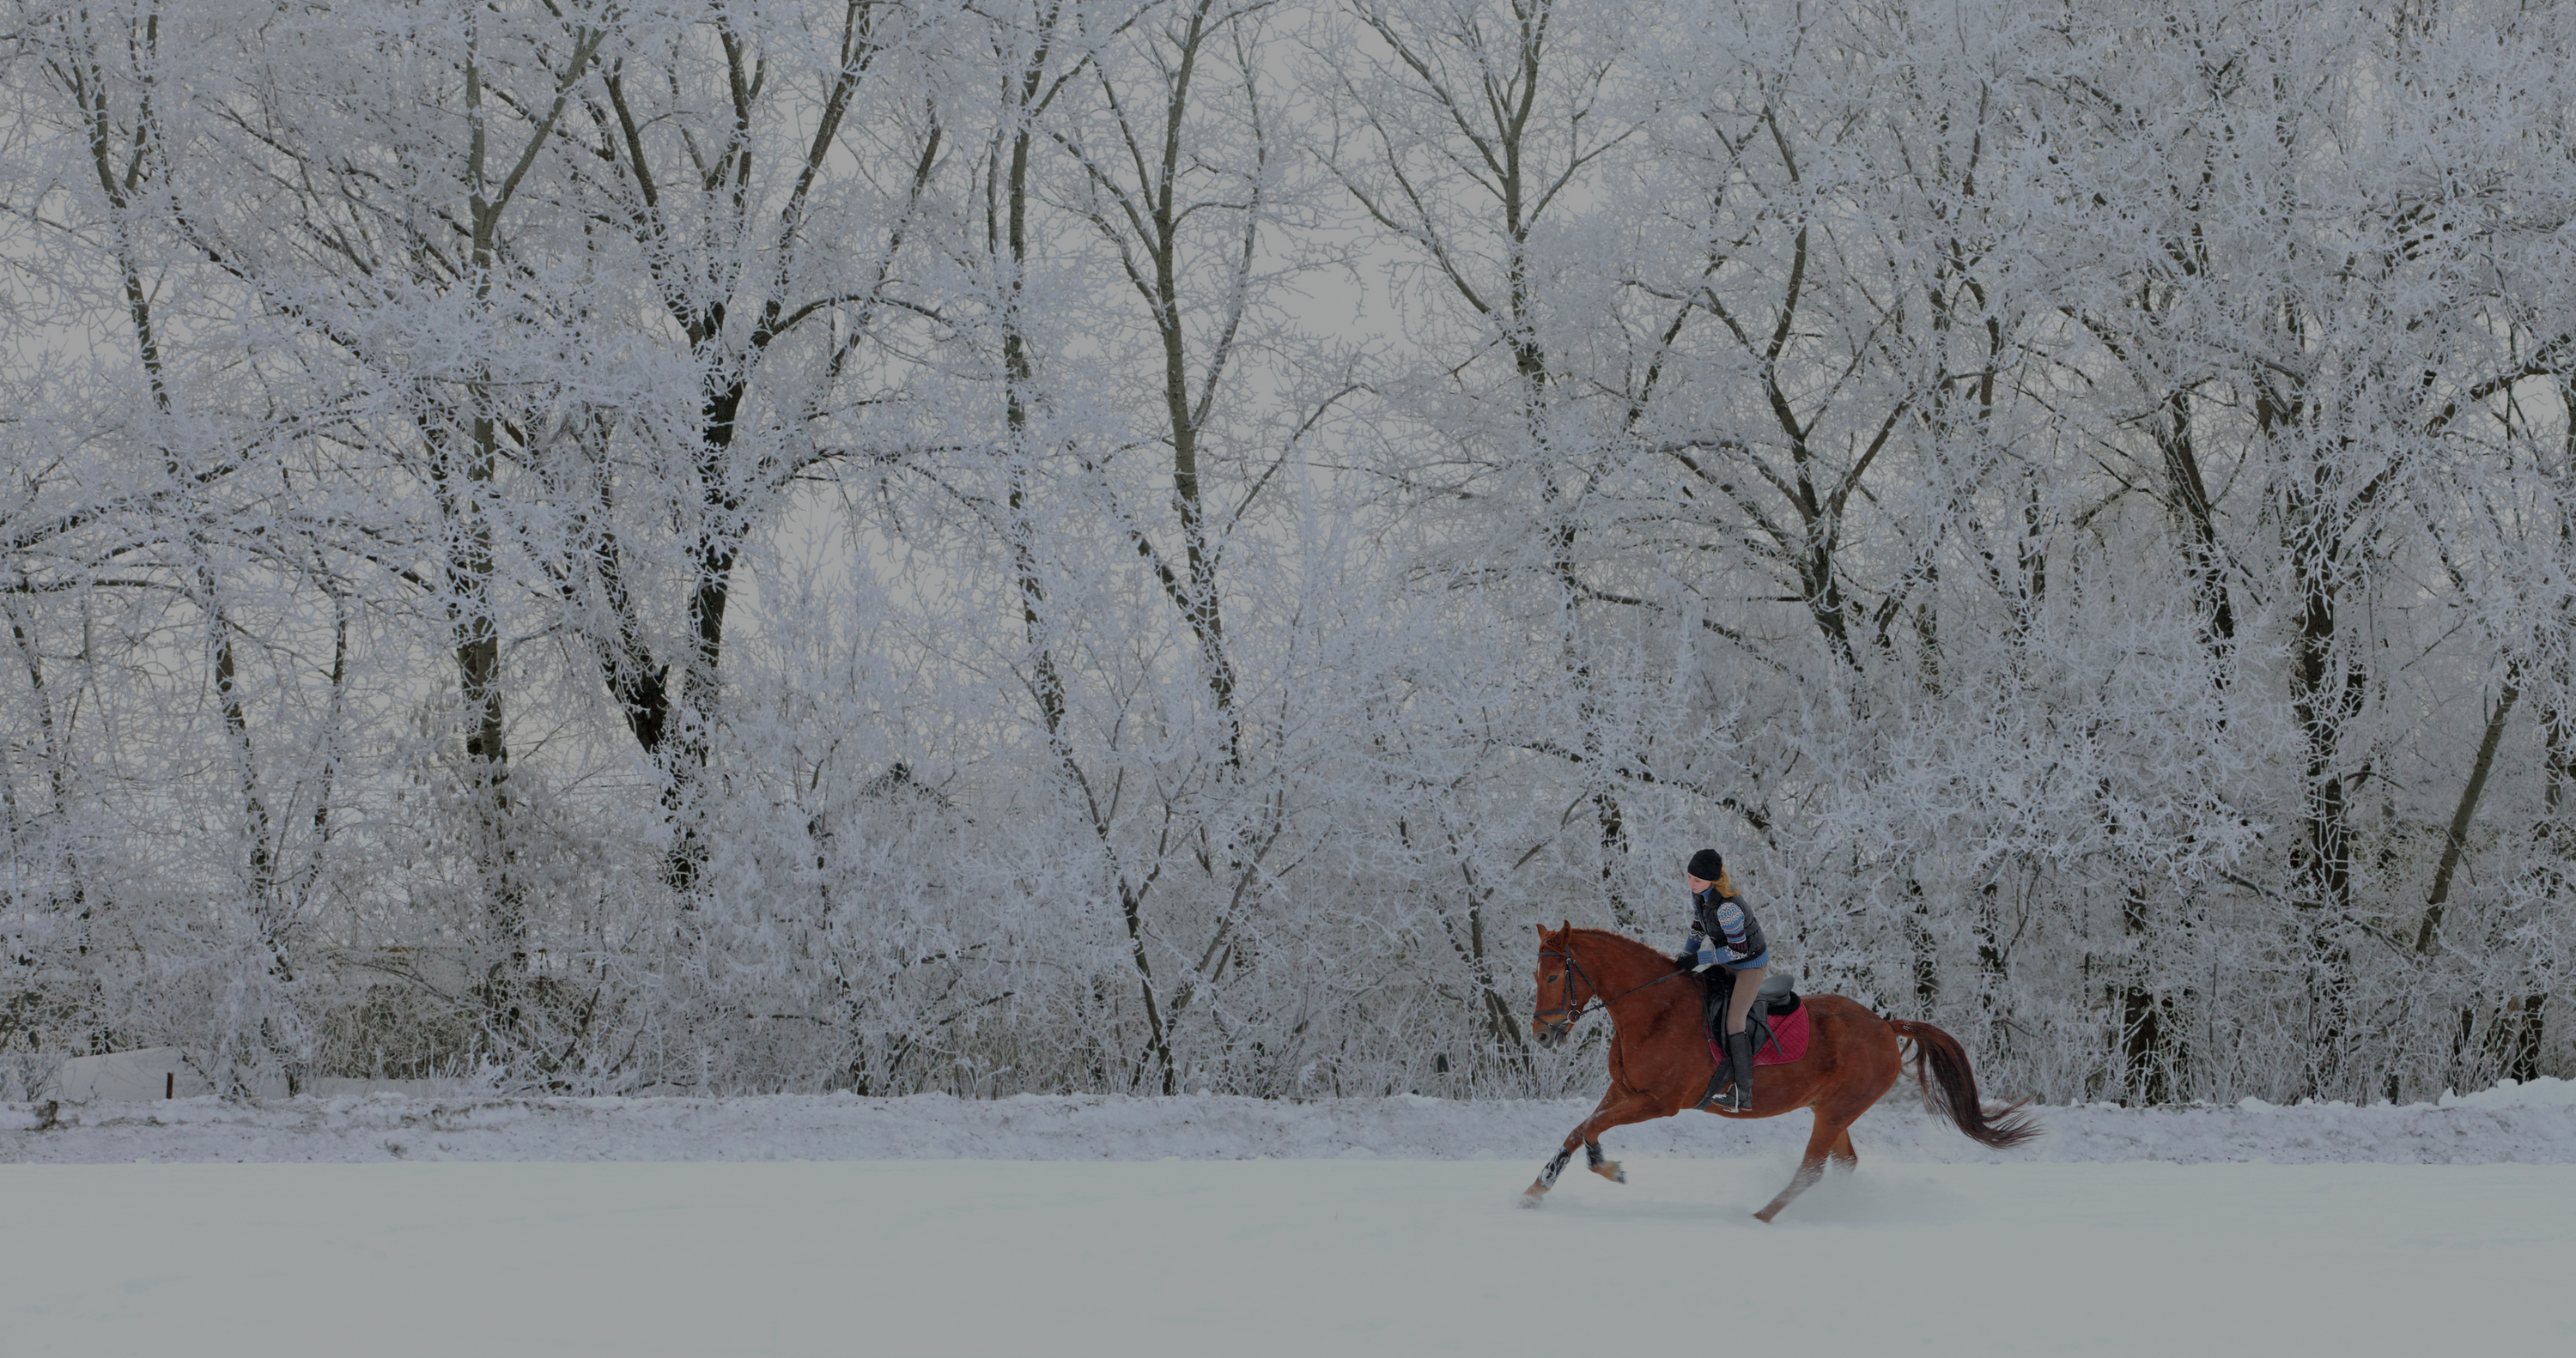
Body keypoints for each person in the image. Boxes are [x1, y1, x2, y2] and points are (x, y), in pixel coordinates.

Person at [1674, 848, 1768, 1112]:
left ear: (1712, 881)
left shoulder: (1727, 909)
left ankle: (1743, 1092)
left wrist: (1701, 958)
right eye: (1690, 877)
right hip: (1727, 961)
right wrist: (1686, 958)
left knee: (1734, 1021)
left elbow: (1740, 950)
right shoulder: (1700, 897)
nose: (1691, 884)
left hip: (1749, 965)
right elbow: (1697, 929)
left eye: (1697, 880)